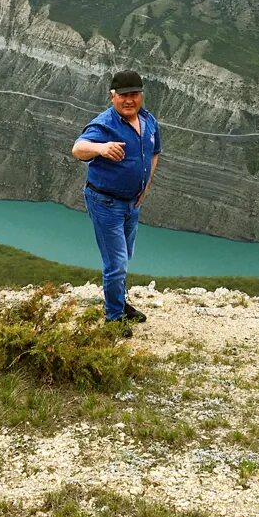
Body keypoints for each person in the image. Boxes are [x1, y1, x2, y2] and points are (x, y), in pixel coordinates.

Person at [72, 70, 161, 332]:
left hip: (132, 202)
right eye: (123, 95)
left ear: (141, 95)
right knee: (117, 262)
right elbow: (78, 148)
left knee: (124, 256)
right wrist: (100, 148)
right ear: (113, 97)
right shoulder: (105, 124)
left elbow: (154, 153)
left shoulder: (148, 120)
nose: (129, 100)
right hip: (106, 202)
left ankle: (119, 303)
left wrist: (145, 187)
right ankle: (113, 317)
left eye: (134, 94)